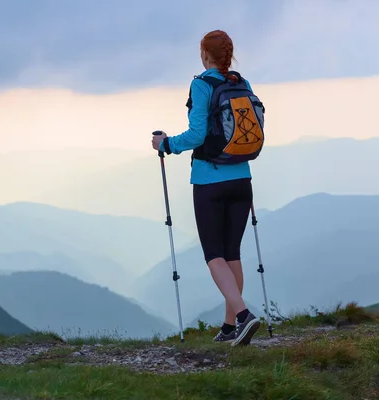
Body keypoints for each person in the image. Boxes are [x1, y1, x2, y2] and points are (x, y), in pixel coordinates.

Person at [151, 30, 261, 346]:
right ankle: (230, 328)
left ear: (204, 54)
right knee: (232, 254)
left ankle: (243, 316)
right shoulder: (242, 83)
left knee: (214, 255)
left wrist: (166, 144)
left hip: (210, 181)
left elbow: (197, 134)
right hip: (242, 179)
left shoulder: (201, 84)